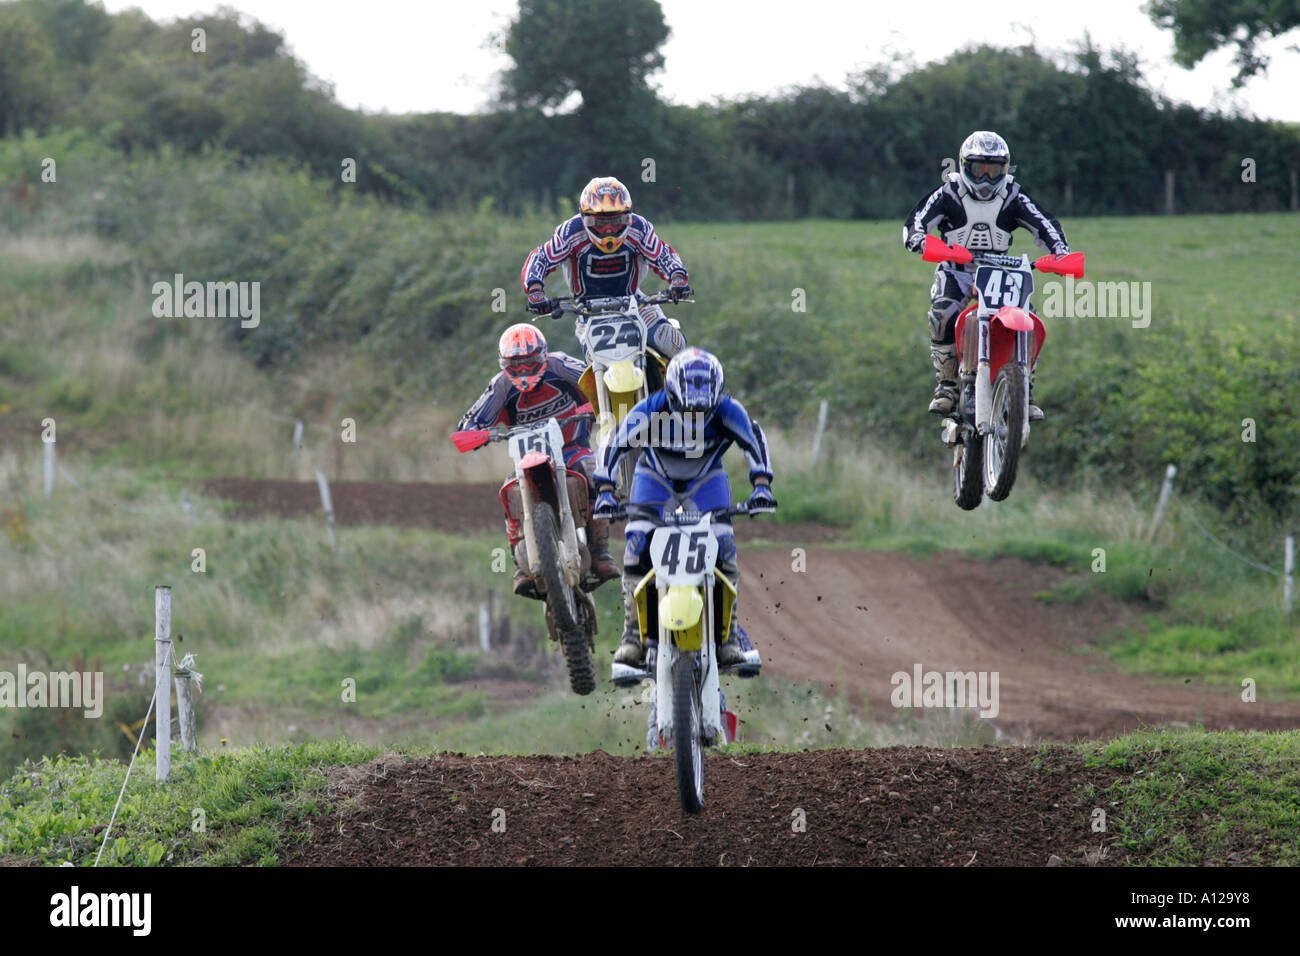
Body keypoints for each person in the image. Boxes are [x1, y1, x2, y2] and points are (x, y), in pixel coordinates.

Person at [592, 348, 774, 671]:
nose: (694, 416)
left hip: (706, 482)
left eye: (703, 409)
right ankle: (632, 637)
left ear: (716, 396)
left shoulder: (729, 411)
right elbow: (616, 442)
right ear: (671, 394)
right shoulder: (650, 408)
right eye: (686, 407)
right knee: (635, 547)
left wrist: (762, 485)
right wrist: (605, 490)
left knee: (724, 547)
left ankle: (728, 637)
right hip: (654, 480)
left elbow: (753, 442)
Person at [902, 130, 1071, 421]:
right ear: (964, 166)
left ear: (1005, 169)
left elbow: (1045, 225)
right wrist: (921, 241)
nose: (985, 178)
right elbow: (914, 224)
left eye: (994, 170)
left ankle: (1025, 388)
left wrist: (1061, 252)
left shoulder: (1013, 196)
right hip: (957, 269)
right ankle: (947, 386)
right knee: (943, 313)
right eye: (978, 169)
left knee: (1028, 319)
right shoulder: (948, 194)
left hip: (1001, 271)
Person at [458, 323, 619, 596]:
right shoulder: (500, 385)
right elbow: (470, 422)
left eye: (529, 362)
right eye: (514, 364)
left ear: (542, 356)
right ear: (504, 363)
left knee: (593, 473)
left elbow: (598, 381)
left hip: (571, 448)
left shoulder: (560, 365)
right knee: (510, 494)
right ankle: (520, 567)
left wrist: (597, 401)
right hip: (528, 459)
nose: (522, 370)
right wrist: (476, 433)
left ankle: (600, 553)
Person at [522, 176, 691, 362]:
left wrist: (677, 278)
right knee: (594, 362)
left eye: (616, 221)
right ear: (585, 218)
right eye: (601, 223)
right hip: (588, 311)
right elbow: (541, 257)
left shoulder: (639, 228)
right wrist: (535, 290)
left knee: (671, 343)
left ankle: (679, 387)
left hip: (636, 302)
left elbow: (663, 255)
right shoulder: (571, 232)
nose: (609, 230)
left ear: (628, 217)